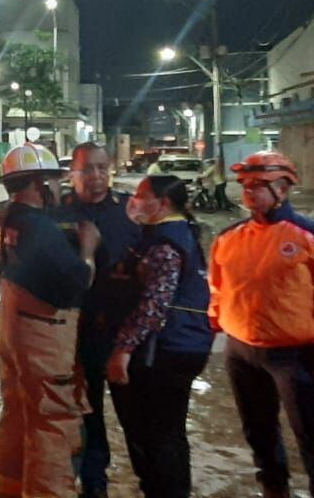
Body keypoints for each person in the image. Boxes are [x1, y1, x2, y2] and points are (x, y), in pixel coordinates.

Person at [0, 143, 99, 498]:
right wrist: (88, 249)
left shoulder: (4, 219)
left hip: (13, 331)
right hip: (43, 338)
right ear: (38, 183)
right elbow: (78, 281)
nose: (58, 188)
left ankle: (7, 488)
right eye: (53, 181)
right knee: (52, 423)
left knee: (17, 412)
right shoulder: (41, 229)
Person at [209, 151, 314, 498]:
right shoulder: (228, 238)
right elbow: (217, 289)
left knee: (310, 433)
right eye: (245, 186)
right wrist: (217, 321)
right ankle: (273, 489)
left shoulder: (305, 236)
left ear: (282, 190)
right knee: (258, 431)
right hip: (241, 351)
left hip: (295, 354)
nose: (248, 193)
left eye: (258, 186)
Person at [101, 175, 212, 497]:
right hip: (185, 344)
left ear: (162, 203)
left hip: (165, 351)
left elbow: (155, 303)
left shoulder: (165, 243)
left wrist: (122, 350)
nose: (133, 201)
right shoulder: (179, 232)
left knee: (156, 435)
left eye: (140, 195)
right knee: (171, 433)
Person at [56, 142, 142, 498]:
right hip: (79, 334)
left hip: (123, 335)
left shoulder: (128, 211)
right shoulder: (57, 215)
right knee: (86, 415)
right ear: (72, 174)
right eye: (88, 169)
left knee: (138, 418)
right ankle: (95, 484)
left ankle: (153, 481)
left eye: (103, 168)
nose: (97, 176)